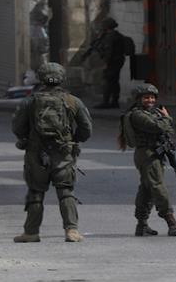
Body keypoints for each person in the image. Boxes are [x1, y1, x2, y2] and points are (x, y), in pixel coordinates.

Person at [12, 62, 93, 243]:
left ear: (40, 78)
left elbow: (17, 127)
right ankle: (71, 231)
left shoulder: (30, 101)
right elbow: (86, 129)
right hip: (63, 152)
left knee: (35, 192)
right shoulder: (73, 101)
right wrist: (74, 139)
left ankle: (31, 232)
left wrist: (26, 139)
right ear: (62, 78)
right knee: (65, 191)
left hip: (36, 153)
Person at [121, 83, 176, 237]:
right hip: (146, 154)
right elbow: (158, 127)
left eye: (152, 97)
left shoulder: (154, 112)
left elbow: (168, 130)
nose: (150, 100)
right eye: (146, 98)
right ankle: (170, 220)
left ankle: (142, 224)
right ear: (138, 99)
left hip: (155, 153)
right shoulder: (137, 115)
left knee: (147, 188)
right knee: (157, 186)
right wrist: (167, 118)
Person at [82, 18, 134, 109]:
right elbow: (95, 45)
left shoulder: (110, 37)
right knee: (114, 81)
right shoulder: (113, 35)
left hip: (112, 62)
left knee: (107, 81)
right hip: (117, 61)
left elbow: (109, 51)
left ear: (106, 26)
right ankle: (114, 101)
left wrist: (106, 62)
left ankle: (106, 102)